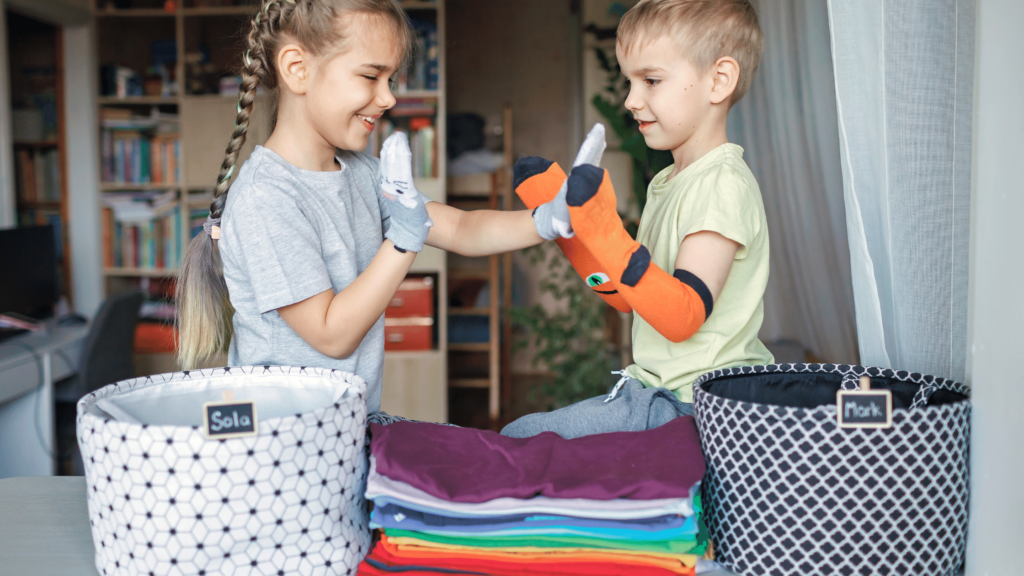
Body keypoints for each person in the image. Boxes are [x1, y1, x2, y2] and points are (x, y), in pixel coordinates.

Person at [174, 0, 583, 416]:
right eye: (371, 76)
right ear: (298, 69)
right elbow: (332, 335)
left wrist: (546, 219)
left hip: (344, 425)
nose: (387, 97)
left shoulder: (362, 174)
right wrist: (404, 240)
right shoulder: (268, 197)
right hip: (284, 442)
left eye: (391, 79)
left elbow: (460, 228)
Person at [502, 0, 774, 438]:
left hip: (702, 406)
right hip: (658, 394)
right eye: (630, 81)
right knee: (524, 437)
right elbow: (629, 298)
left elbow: (682, 315)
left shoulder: (722, 184)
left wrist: (604, 230)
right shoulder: (668, 182)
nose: (631, 100)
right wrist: (570, 233)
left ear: (718, 80)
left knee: (524, 440)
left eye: (651, 80)